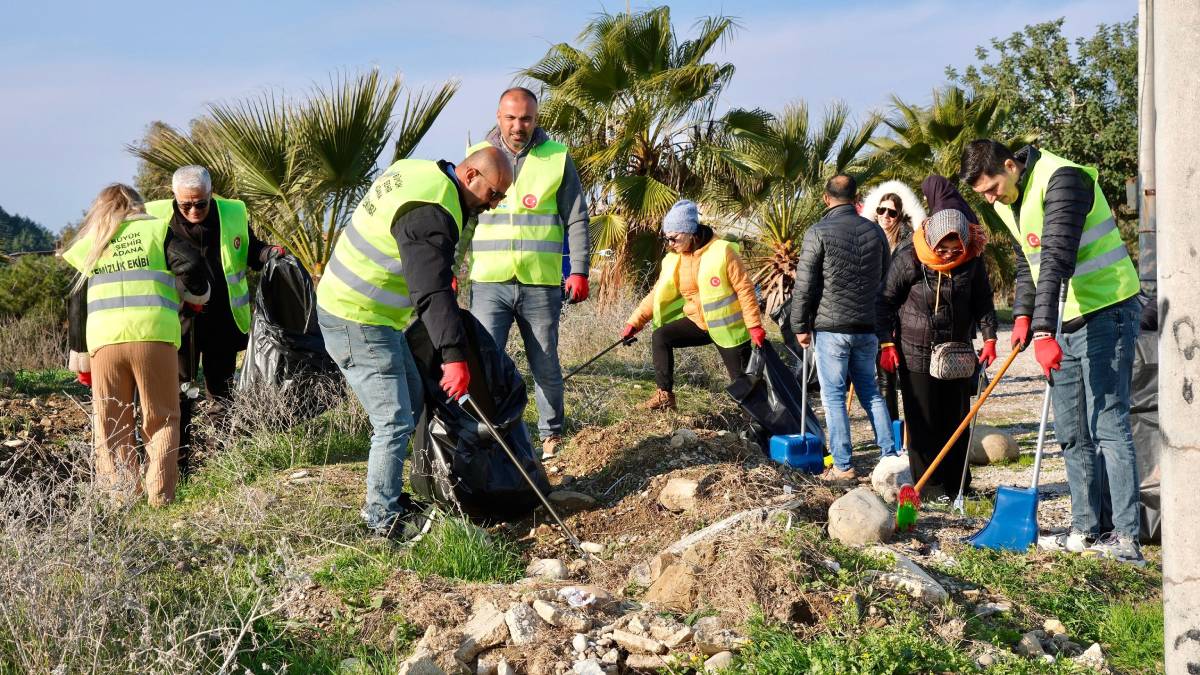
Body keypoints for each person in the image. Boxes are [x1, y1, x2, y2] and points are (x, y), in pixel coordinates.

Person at [961, 139, 1144, 565]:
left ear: (1010, 165)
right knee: (1072, 430)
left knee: (1108, 424)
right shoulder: (1008, 198)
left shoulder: (1063, 180)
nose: (989, 198)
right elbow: (1031, 260)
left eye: (991, 187)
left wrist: (1042, 332)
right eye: (982, 193)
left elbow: (1057, 259)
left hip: (1107, 309)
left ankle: (1127, 539)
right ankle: (1086, 529)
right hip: (1065, 318)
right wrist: (1023, 314)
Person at [316, 147, 513, 541]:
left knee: (411, 398)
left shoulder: (421, 172)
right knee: (393, 419)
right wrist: (454, 357)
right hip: (357, 317)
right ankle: (380, 519)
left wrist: (435, 269)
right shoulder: (434, 211)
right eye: (494, 194)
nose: (494, 205)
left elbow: (419, 261)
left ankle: (392, 494)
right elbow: (430, 292)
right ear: (471, 174)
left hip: (372, 314)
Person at [463, 87, 591, 458]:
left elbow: (577, 217)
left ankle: (551, 435)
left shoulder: (556, 157)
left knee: (545, 359)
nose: (518, 126)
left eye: (526, 118)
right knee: (484, 361)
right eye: (510, 118)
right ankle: (487, 435)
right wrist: (452, 266)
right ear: (499, 116)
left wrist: (579, 269)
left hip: (541, 281)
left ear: (536, 119)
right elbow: (465, 216)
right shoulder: (477, 157)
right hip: (490, 281)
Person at [63, 184, 210, 506]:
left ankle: (121, 499)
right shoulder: (158, 229)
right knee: (162, 417)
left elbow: (77, 302)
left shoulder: (93, 241)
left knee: (111, 422)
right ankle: (160, 498)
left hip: (104, 341)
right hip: (154, 336)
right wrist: (195, 298)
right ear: (139, 205)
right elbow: (195, 268)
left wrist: (81, 354)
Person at [143, 166, 284, 476]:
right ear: (174, 198)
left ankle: (221, 463)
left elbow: (251, 249)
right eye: (186, 205)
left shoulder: (231, 213)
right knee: (178, 396)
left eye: (201, 203)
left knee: (221, 394)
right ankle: (177, 469)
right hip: (178, 324)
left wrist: (270, 252)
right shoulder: (152, 217)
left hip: (222, 320)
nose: (194, 210)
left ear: (210, 194)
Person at [876, 205, 998, 499]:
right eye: (943, 249)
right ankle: (929, 488)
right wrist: (886, 343)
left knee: (956, 420)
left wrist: (990, 338)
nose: (948, 256)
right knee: (923, 421)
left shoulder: (972, 261)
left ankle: (958, 487)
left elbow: (983, 303)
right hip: (915, 351)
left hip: (956, 353)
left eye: (955, 250)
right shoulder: (909, 258)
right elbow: (884, 303)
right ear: (932, 240)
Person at [790, 174, 897, 482]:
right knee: (871, 392)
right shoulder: (875, 232)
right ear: (856, 197)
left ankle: (843, 465)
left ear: (826, 198)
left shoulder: (818, 231)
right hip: (866, 327)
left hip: (831, 327)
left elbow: (806, 283)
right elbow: (886, 278)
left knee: (834, 396)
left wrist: (800, 324)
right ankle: (890, 457)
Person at [620, 200, 765, 410]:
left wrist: (754, 326)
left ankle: (760, 429)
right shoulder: (674, 259)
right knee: (661, 336)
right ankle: (665, 397)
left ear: (690, 231)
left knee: (744, 385)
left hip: (727, 329)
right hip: (698, 323)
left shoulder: (722, 251)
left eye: (674, 238)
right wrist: (635, 322)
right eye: (666, 238)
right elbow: (656, 293)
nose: (670, 243)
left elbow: (745, 289)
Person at [860, 180, 927, 421]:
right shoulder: (869, 239)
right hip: (877, 315)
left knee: (908, 375)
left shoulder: (909, 242)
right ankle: (892, 427)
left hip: (902, 315)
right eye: (881, 210)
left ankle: (914, 428)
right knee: (884, 376)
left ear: (899, 216)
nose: (885, 216)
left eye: (891, 212)